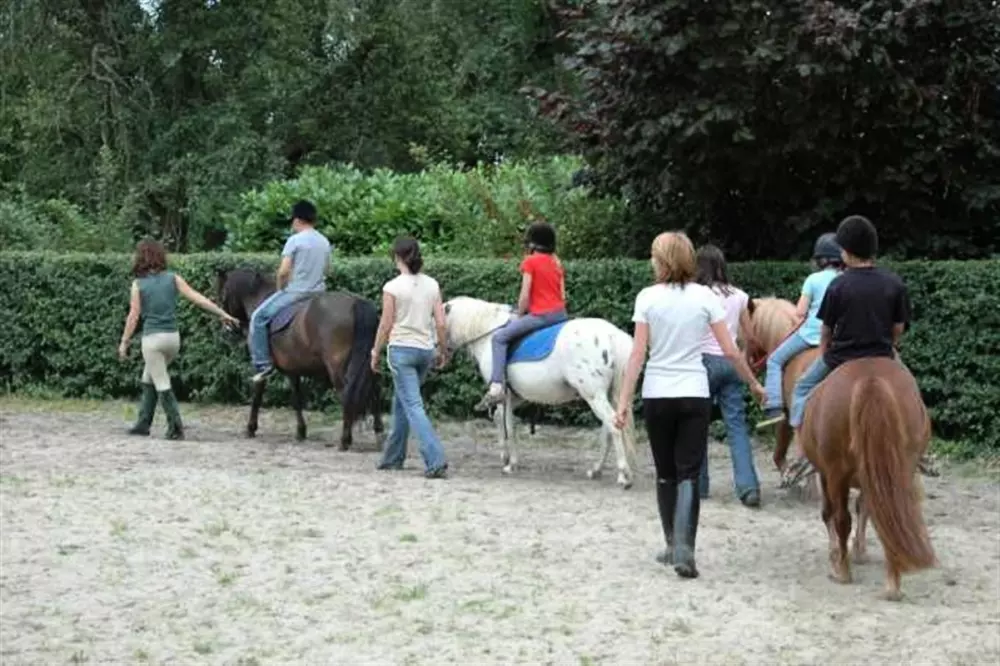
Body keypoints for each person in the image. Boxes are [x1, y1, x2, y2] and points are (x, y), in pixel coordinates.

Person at [613, 232, 766, 580]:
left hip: (657, 393)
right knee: (688, 474)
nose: (651, 261)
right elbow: (730, 351)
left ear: (663, 260)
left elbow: (637, 355)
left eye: (654, 256)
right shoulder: (705, 297)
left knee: (665, 473)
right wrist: (753, 383)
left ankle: (671, 543)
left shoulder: (647, 297)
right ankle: (686, 548)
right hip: (694, 393)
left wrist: (623, 402)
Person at [788, 215, 911, 438]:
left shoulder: (838, 285)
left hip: (841, 356)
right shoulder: (895, 283)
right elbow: (898, 327)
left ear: (846, 252)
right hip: (882, 353)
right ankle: (917, 441)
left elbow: (826, 330)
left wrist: (824, 353)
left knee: (802, 388)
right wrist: (890, 346)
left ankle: (803, 444)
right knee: (910, 390)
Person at [118, 238, 239, 439]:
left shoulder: (138, 285)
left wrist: (124, 342)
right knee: (149, 377)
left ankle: (176, 427)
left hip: (152, 341)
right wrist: (222, 314)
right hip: (173, 339)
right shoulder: (173, 278)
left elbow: (133, 316)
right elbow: (198, 298)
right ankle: (143, 423)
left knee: (161, 381)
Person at [371, 236, 450, 479]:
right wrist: (443, 349)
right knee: (402, 402)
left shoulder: (392, 287)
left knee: (413, 405)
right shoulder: (432, 284)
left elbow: (386, 324)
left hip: (401, 350)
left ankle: (435, 460)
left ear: (397, 257)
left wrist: (375, 350)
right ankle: (392, 458)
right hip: (425, 350)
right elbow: (440, 323)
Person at [475, 220, 568, 412]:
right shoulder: (557, 263)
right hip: (560, 315)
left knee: (499, 338)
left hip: (541, 315)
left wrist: (520, 313)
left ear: (532, 243)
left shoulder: (530, 262)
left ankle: (496, 387)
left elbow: (525, 295)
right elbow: (562, 295)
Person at [694, 244, 762, 508]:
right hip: (731, 362)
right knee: (736, 427)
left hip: (702, 363)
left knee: (697, 425)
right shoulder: (740, 296)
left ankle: (699, 485)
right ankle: (748, 487)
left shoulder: (696, 294)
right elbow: (750, 337)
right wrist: (745, 361)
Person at [757, 232, 844, 429]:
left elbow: (800, 312)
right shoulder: (845, 278)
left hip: (810, 335)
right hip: (838, 337)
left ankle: (775, 407)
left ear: (820, 260)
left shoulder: (813, 279)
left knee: (774, 360)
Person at [248, 200, 331, 383]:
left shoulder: (294, 241)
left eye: (292, 220)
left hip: (297, 292)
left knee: (258, 318)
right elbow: (327, 270)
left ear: (297, 219)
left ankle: (263, 364)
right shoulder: (324, 241)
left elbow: (283, 271)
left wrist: (280, 289)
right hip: (319, 293)